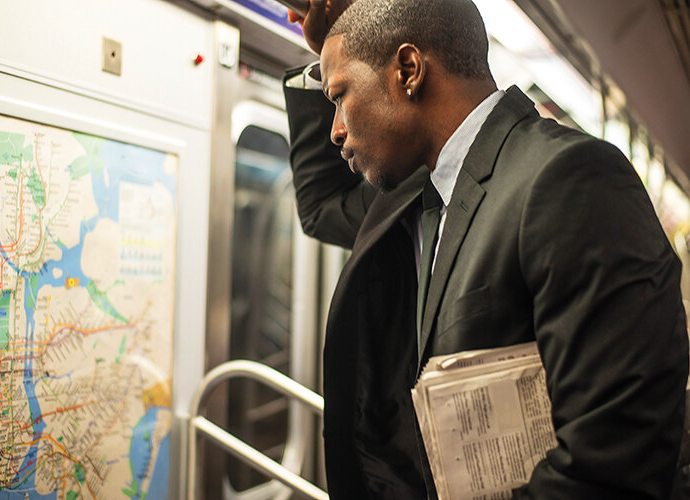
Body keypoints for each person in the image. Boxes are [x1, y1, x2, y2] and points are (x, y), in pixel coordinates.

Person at [283, 0, 689, 498]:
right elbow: (323, 205)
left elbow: (613, 458)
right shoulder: (426, 197)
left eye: (340, 96)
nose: (336, 129)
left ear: (407, 70)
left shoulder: (568, 179)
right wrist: (329, 43)